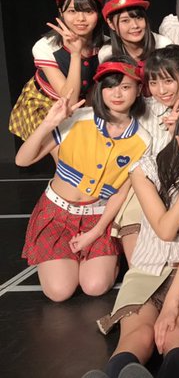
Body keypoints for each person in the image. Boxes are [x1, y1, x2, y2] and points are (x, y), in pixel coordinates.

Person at [92, 98, 179, 378]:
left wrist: (170, 307)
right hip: (146, 269)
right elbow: (166, 231)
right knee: (138, 338)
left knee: (178, 335)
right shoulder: (145, 169)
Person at [17, 56, 150, 302]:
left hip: (98, 218)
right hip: (56, 215)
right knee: (59, 292)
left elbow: (121, 193)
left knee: (95, 286)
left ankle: (103, 259)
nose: (117, 93)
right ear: (100, 89)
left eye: (125, 86)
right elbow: (22, 160)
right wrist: (48, 123)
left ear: (139, 89)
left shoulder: (143, 139)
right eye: (110, 86)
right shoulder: (78, 118)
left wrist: (95, 232)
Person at [113, 45, 179, 263]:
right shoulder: (143, 108)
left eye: (168, 81)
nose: (161, 90)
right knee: (139, 262)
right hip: (142, 189)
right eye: (153, 83)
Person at [9, 0, 105, 140]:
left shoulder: (106, 47)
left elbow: (94, 90)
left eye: (88, 11)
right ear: (61, 12)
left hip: (86, 104)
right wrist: (76, 54)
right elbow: (69, 100)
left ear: (98, 14)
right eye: (72, 11)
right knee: (63, 149)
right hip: (45, 102)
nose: (80, 18)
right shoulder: (45, 47)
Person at [99, 0, 172, 63]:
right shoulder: (107, 53)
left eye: (139, 18)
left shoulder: (164, 46)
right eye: (125, 21)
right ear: (111, 24)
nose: (135, 25)